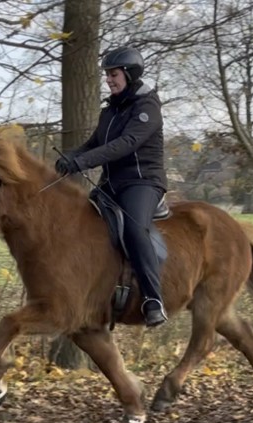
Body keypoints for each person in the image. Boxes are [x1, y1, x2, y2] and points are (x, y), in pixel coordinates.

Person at [55, 46, 168, 328]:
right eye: (107, 75)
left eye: (113, 74)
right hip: (111, 184)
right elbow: (95, 143)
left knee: (134, 229)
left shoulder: (147, 107)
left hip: (143, 182)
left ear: (129, 74)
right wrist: (70, 157)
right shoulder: (110, 110)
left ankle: (153, 300)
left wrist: (83, 163)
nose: (108, 80)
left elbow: (126, 144)